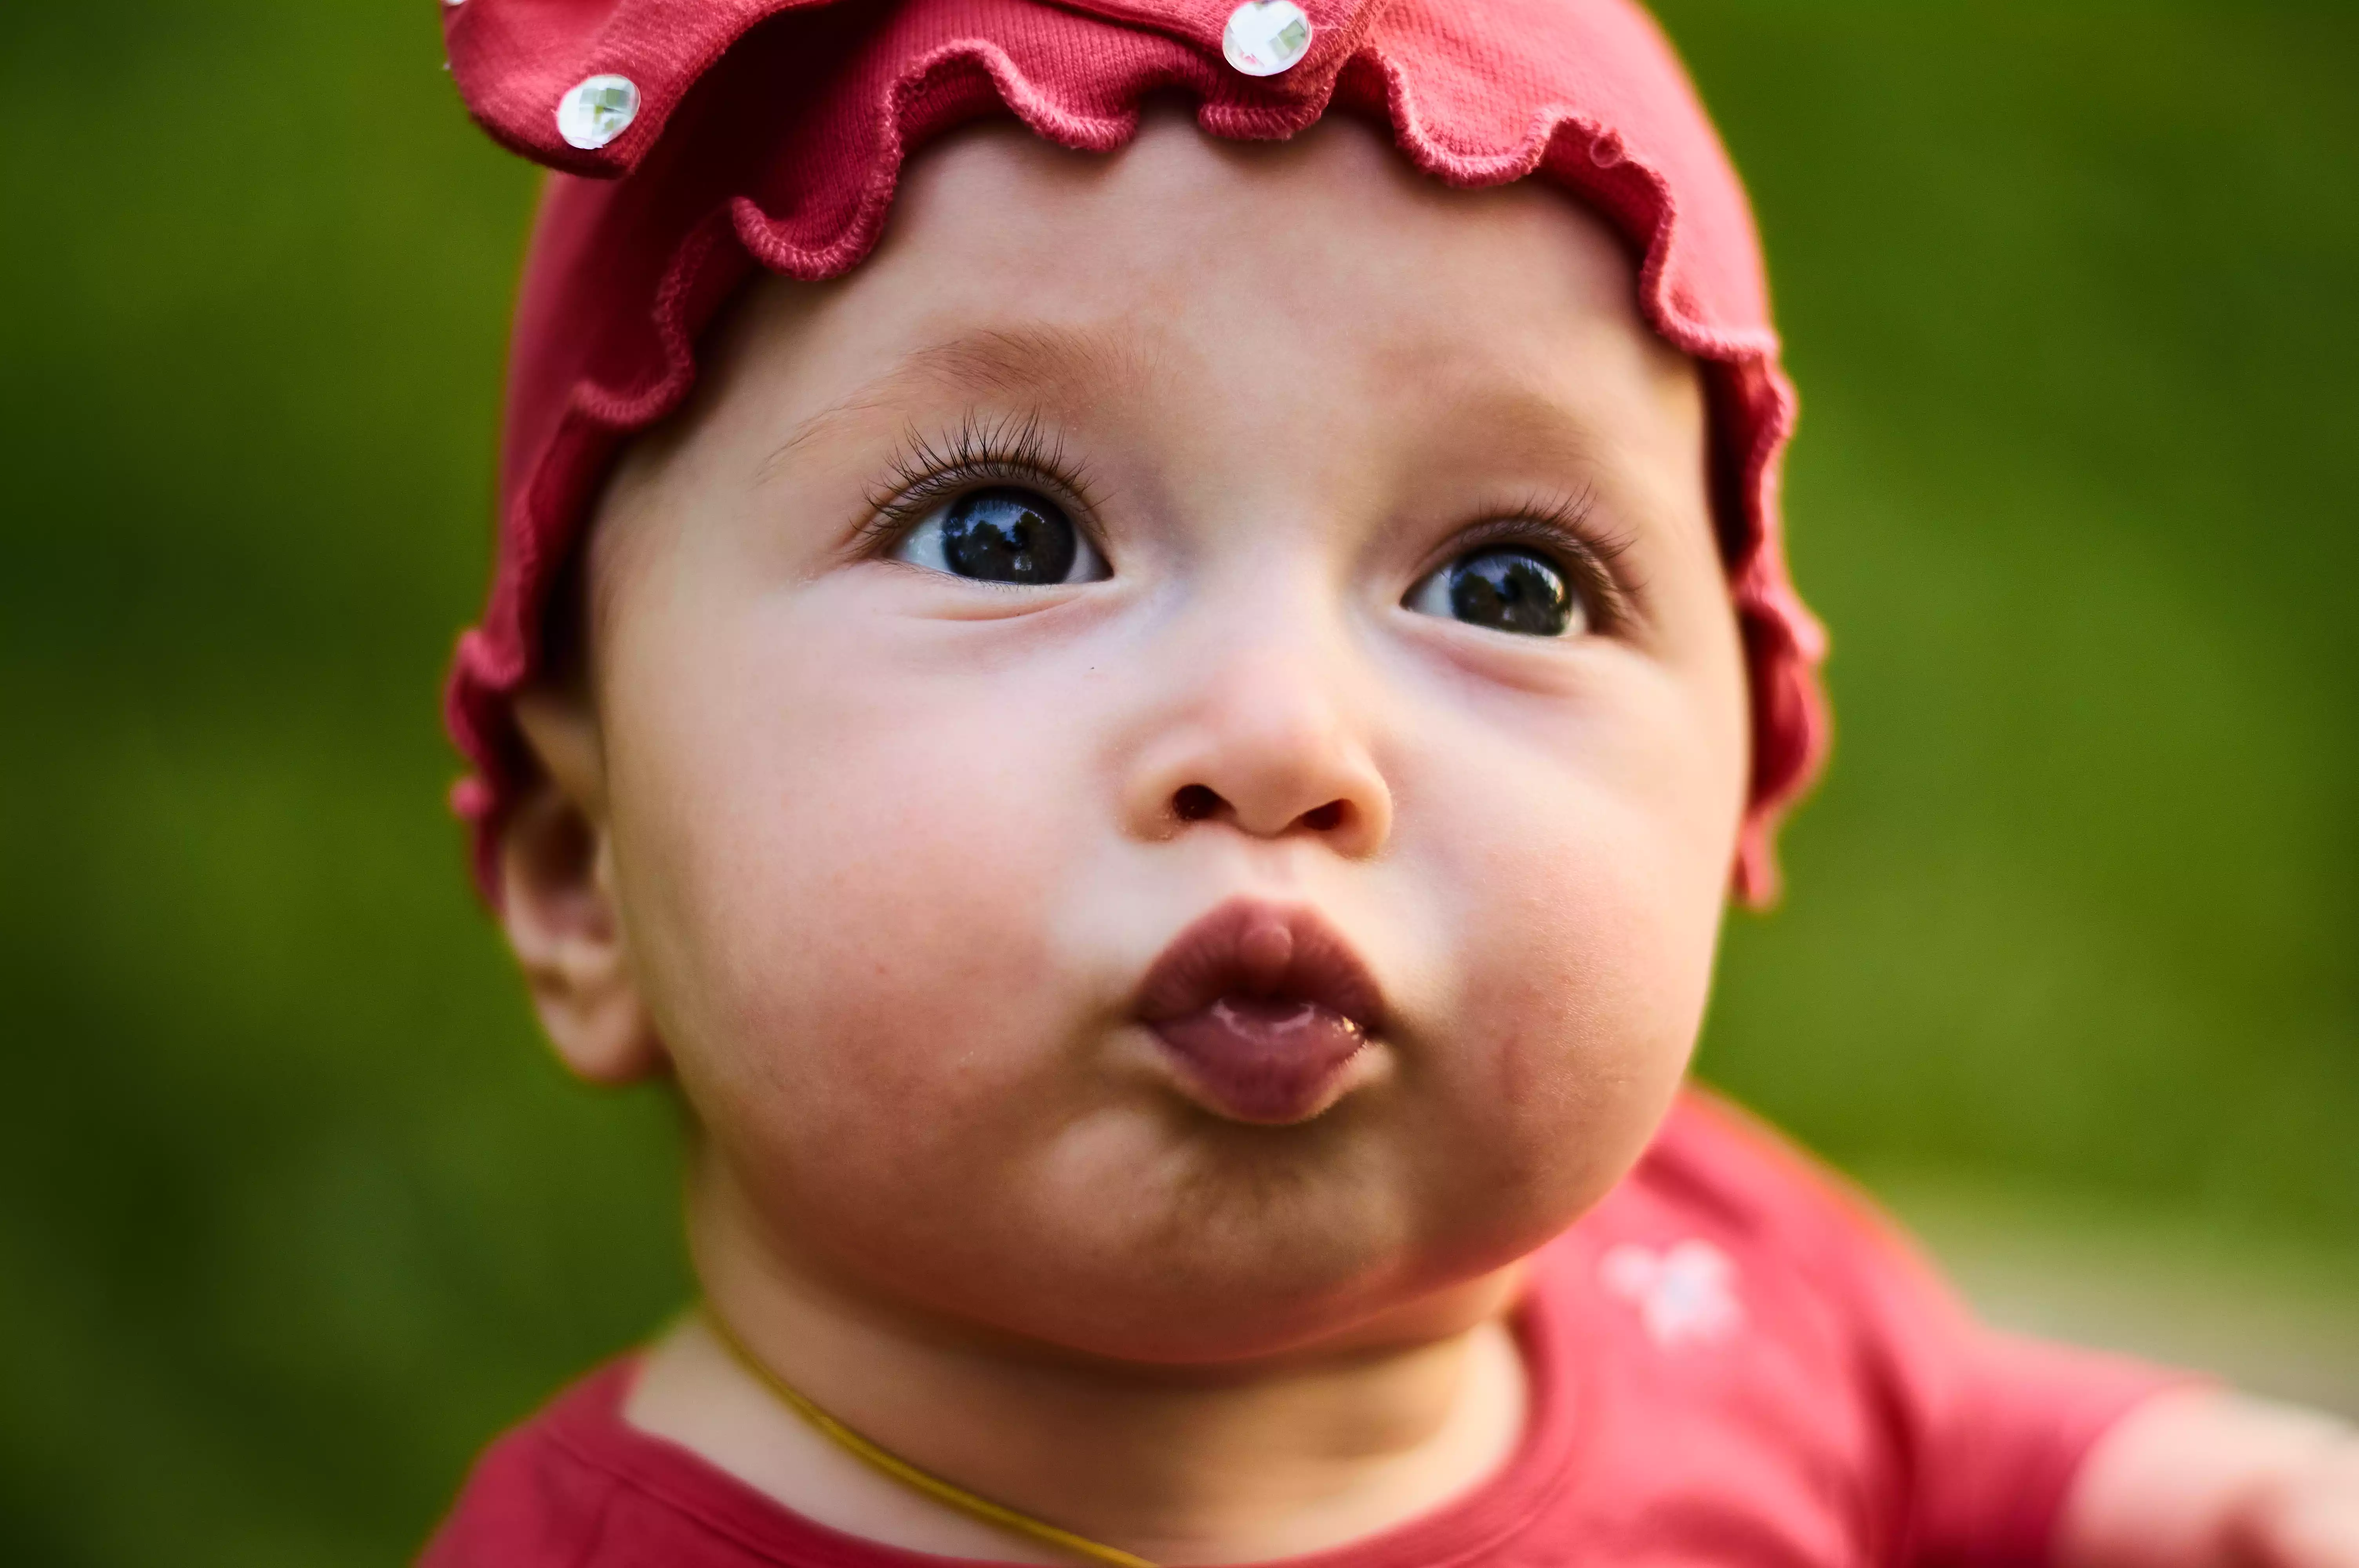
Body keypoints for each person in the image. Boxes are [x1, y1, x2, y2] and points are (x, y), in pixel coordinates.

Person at [420, 1, 2359, 1563]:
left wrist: (2191, 1494)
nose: (1283, 738)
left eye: (1510, 586)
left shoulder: (1709, 1275)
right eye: (1007, 539)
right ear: (587, 871)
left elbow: (1954, 1438)